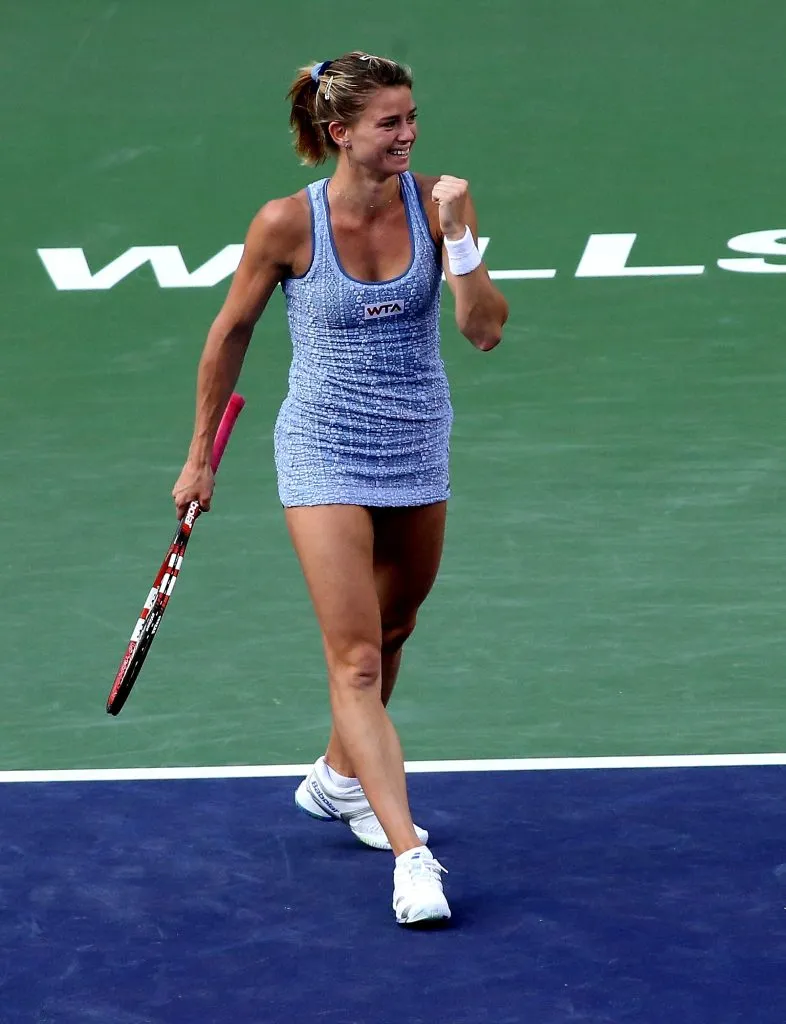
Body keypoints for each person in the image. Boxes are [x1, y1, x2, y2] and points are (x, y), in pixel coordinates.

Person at [172, 51, 509, 926]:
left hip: (416, 439)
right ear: (339, 133)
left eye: (412, 118)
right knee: (355, 657)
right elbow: (228, 335)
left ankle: (335, 780)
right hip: (321, 445)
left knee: (394, 628)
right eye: (390, 122)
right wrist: (200, 456)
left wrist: (458, 231)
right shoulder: (287, 224)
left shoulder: (441, 202)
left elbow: (483, 331)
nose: (408, 134)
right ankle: (411, 856)